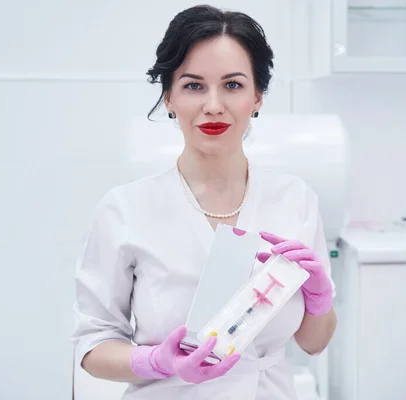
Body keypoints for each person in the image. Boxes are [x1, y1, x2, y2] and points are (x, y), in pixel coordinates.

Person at [72, 4, 337, 400]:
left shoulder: (295, 200)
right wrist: (156, 361)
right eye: (193, 85)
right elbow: (92, 348)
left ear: (258, 96)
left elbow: (314, 344)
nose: (213, 105)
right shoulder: (125, 209)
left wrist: (320, 299)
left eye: (233, 85)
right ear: (169, 98)